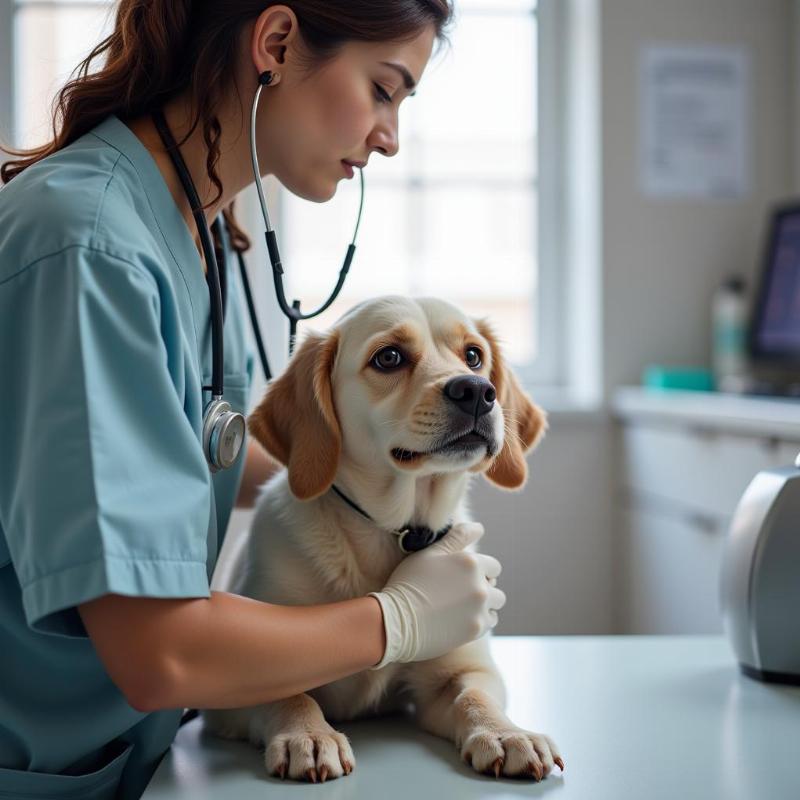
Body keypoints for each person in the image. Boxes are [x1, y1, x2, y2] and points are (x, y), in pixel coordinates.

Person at [0, 2, 506, 798]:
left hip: (136, 756)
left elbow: (189, 448)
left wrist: (382, 475)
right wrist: (396, 621)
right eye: (383, 89)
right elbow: (159, 653)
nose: (389, 136)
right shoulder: (88, 249)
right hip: (41, 759)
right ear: (275, 43)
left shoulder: (204, 232)